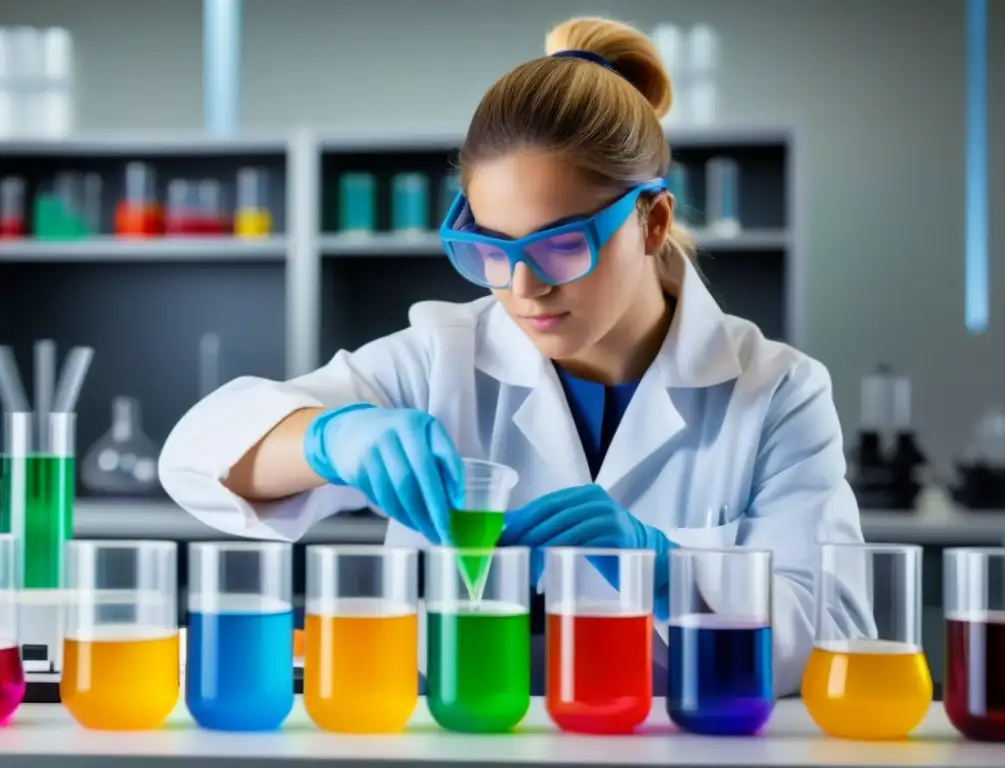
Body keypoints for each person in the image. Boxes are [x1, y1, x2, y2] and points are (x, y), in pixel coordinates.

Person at [159, 16, 871, 699]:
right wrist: (327, 438)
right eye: (491, 250)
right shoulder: (438, 359)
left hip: (669, 746)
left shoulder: (777, 393)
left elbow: (836, 640)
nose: (523, 287)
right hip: (450, 743)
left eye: (561, 244)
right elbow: (194, 456)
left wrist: (669, 569)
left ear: (652, 222)